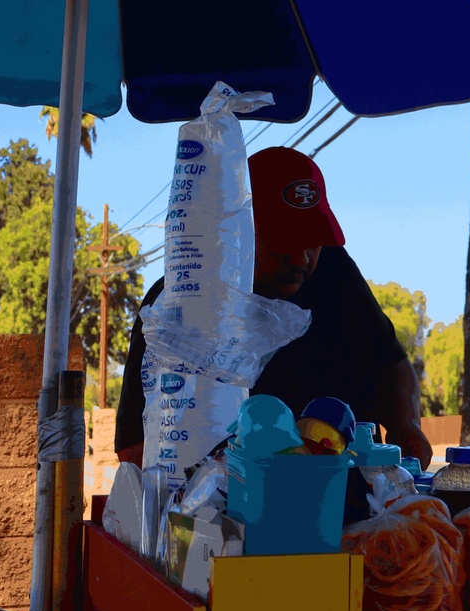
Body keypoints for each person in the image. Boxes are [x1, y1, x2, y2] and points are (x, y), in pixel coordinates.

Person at [114, 145, 434, 470]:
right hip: (231, 507)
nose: (300, 258)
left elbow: (391, 363)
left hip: (350, 497)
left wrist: (406, 425)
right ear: (235, 233)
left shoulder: (334, 272)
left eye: (312, 240)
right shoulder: (176, 304)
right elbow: (134, 449)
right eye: (283, 242)